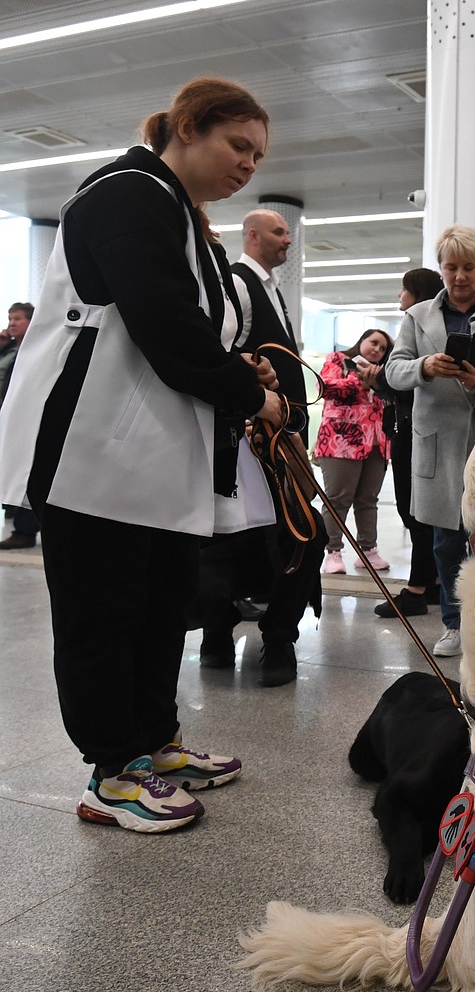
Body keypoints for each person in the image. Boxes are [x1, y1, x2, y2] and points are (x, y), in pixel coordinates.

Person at [0, 76, 283, 832]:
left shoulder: (179, 216)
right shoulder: (127, 192)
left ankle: (155, 743)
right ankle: (111, 772)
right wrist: (254, 397)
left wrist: (238, 365)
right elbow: (161, 322)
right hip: (95, 457)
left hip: (156, 457)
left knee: (162, 608)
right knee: (105, 616)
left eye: (257, 154)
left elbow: (195, 324)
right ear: (187, 127)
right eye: (238, 145)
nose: (248, 164)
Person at [384, 224, 475, 657]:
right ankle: (454, 622)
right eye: (451, 267)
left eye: (469, 267)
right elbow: (394, 371)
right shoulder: (417, 317)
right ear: (441, 269)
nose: (460, 276)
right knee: (446, 541)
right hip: (437, 444)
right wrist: (425, 367)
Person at [193, 209, 326, 686]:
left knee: (302, 533)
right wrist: (253, 380)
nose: (288, 238)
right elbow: (219, 351)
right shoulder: (238, 283)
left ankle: (278, 637)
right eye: (279, 231)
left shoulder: (269, 288)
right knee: (227, 541)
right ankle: (217, 631)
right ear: (252, 236)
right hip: (242, 442)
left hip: (277, 444)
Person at [375, 266, 444, 618]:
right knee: (420, 509)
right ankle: (430, 583)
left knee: (414, 508)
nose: (399, 297)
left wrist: (379, 378)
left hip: (413, 431)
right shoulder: (431, 327)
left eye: (404, 290)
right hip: (412, 429)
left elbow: (398, 380)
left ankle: (417, 589)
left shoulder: (418, 328)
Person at [314, 327, 394, 574]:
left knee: (368, 500)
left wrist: (378, 382)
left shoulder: (383, 372)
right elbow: (325, 388)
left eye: (383, 349)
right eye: (374, 342)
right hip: (340, 441)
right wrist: (359, 379)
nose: (377, 350)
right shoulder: (338, 360)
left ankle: (368, 551)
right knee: (338, 499)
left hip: (376, 444)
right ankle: (333, 552)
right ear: (361, 340)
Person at [0, 302, 40, 549]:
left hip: (25, 416)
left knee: (28, 470)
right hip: (7, 415)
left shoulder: (36, 348)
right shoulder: (10, 349)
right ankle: (13, 511)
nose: (12, 323)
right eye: (10, 319)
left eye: (18, 319)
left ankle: (25, 531)